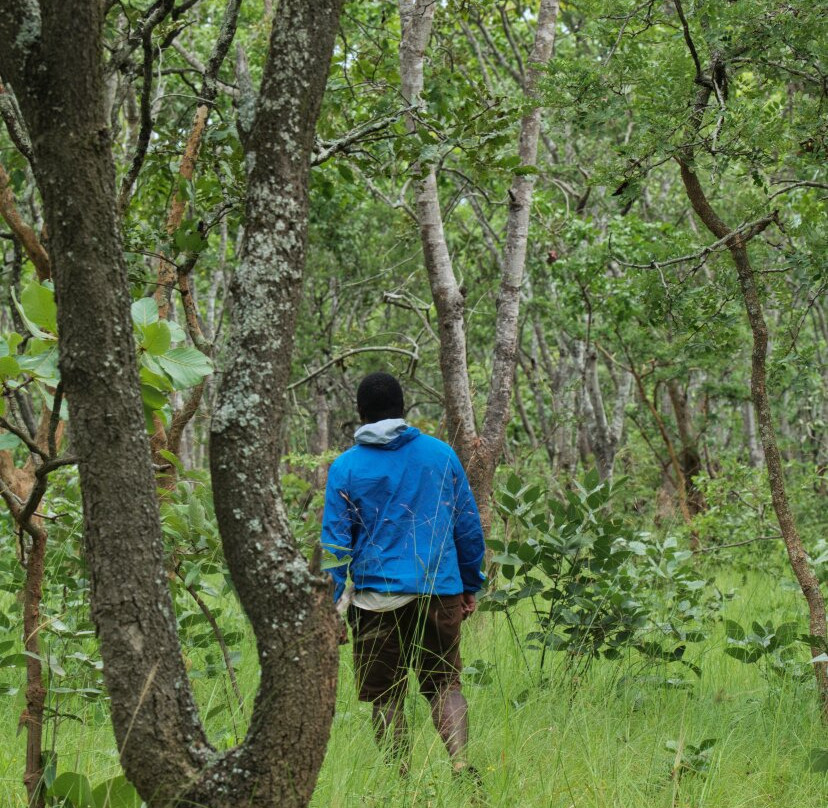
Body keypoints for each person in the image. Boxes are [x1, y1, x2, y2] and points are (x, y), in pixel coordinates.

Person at [321, 371, 485, 778]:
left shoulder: (345, 467)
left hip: (375, 600)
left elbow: (335, 546)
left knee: (385, 695)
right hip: (438, 590)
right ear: (403, 409)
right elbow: (467, 526)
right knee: (445, 684)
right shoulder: (441, 454)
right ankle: (461, 764)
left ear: (359, 413)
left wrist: (331, 608)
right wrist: (469, 585)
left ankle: (400, 780)